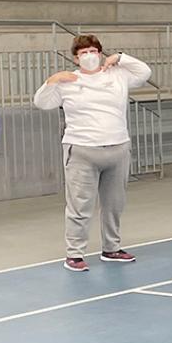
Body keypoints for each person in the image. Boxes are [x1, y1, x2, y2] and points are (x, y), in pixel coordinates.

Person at [33, 34, 152, 272]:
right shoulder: (67, 81)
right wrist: (52, 80)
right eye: (83, 53)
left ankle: (112, 248)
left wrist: (121, 57)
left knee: (114, 203)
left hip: (117, 147)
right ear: (76, 59)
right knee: (79, 205)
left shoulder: (117, 75)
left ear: (100, 53)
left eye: (93, 51)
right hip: (82, 150)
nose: (89, 56)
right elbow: (41, 102)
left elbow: (144, 72)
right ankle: (74, 253)